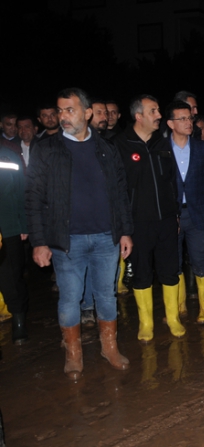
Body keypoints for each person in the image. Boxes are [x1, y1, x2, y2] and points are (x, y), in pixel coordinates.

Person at [25, 87, 132, 380]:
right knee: (70, 298)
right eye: (60, 111)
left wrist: (125, 232)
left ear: (86, 113)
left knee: (106, 296)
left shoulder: (107, 148)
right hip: (66, 241)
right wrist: (39, 242)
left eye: (69, 110)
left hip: (105, 238)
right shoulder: (46, 150)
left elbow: (120, 193)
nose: (63, 117)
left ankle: (108, 347)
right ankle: (73, 352)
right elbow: (33, 198)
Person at [113, 94, 184, 342]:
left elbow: (172, 182)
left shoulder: (162, 143)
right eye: (153, 111)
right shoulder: (120, 145)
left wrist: (175, 214)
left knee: (169, 270)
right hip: (137, 223)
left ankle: (173, 318)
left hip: (165, 220)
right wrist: (124, 227)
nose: (159, 115)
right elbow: (118, 190)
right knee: (142, 273)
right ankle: (146, 323)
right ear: (139, 116)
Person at [167, 101, 204, 325]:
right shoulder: (162, 149)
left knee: (200, 259)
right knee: (173, 262)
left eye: (189, 118)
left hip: (198, 213)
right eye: (182, 119)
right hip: (172, 215)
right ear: (170, 123)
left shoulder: (202, 148)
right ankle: (179, 305)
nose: (188, 122)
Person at [0, 141, 28, 344]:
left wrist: (24, 224)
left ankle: (19, 321)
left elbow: (21, 192)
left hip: (7, 226)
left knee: (10, 278)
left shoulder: (9, 157)